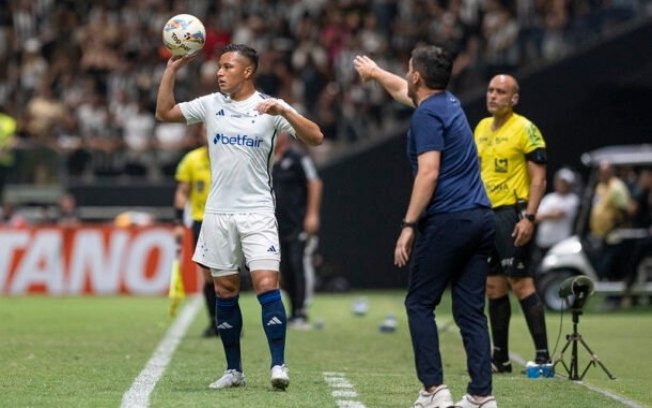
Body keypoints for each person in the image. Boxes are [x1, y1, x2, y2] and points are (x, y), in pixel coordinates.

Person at [156, 43, 323, 391]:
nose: (220, 72)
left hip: (258, 211)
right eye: (219, 66)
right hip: (217, 213)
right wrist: (171, 70)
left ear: (247, 71)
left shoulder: (270, 106)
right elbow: (165, 113)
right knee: (225, 290)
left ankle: (278, 365)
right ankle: (234, 371)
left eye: (228, 66)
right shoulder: (210, 104)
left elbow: (316, 137)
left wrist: (286, 113)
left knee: (266, 284)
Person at [354, 47, 498, 408]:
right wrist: (375, 73)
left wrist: (408, 225)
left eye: (407, 69)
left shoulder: (426, 117)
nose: (405, 74)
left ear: (417, 76)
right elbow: (404, 91)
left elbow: (429, 172)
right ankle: (482, 395)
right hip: (481, 218)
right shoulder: (448, 103)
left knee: (419, 303)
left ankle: (434, 389)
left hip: (450, 219)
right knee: (469, 311)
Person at [474, 74, 550, 372]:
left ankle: (543, 356)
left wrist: (529, 217)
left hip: (513, 214)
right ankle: (500, 359)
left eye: (501, 92)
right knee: (493, 287)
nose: (493, 96)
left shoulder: (526, 129)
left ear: (514, 98)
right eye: (490, 90)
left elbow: (539, 179)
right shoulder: (480, 127)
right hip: (485, 214)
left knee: (520, 282)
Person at [273, 131, 322, 329]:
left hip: (297, 222)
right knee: (284, 268)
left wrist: (312, 214)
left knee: (298, 263)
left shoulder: (298, 157)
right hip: (276, 224)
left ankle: (301, 310)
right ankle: (292, 311)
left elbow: (315, 183)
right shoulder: (268, 158)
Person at [173, 128, 218, 337]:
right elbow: (182, 192)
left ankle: (231, 321)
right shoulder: (191, 160)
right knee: (208, 274)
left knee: (228, 274)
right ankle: (214, 321)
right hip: (201, 220)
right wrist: (178, 222)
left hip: (226, 219)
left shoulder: (230, 158)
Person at [532, 168, 579, 267]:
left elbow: (559, 214)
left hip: (561, 242)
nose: (561, 184)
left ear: (569, 184)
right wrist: (550, 214)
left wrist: (544, 215)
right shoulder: (548, 198)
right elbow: (535, 217)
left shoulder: (573, 199)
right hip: (543, 242)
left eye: (564, 182)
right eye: (559, 181)